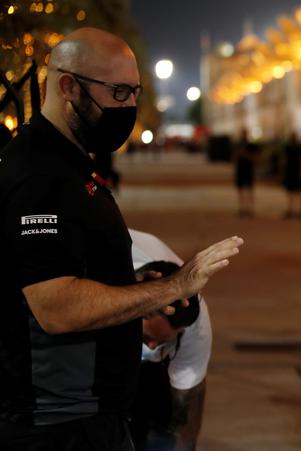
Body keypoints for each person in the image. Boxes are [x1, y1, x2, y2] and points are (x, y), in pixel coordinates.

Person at [0, 27, 244, 451]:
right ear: (68, 86)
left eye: (135, 92)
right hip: (55, 427)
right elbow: (55, 306)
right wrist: (171, 286)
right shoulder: (41, 176)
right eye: (117, 93)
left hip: (91, 419)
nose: (129, 106)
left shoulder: (73, 168)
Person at [128, 229, 212, 451]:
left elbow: (188, 396)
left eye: (163, 342)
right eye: (147, 338)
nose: (153, 347)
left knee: (160, 421)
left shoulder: (195, 325)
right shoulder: (101, 288)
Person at [282, 131, 301, 218]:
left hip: (298, 171)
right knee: (290, 191)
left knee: (300, 191)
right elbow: (285, 160)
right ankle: (291, 209)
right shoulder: (287, 147)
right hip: (290, 171)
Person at [234, 128, 257, 217]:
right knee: (240, 190)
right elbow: (234, 157)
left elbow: (255, 157)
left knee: (250, 189)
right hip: (240, 169)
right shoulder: (238, 145)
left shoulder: (251, 145)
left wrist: (246, 155)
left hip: (248, 169)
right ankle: (242, 208)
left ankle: (250, 208)